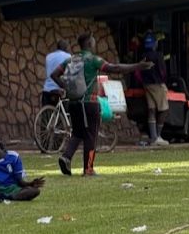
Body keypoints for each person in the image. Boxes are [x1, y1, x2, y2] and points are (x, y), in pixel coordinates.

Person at [50, 32, 151, 177]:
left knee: (78, 132)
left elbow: (54, 74)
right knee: (91, 136)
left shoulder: (71, 59)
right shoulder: (93, 60)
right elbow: (115, 68)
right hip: (89, 103)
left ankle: (66, 157)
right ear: (90, 44)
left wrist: (66, 88)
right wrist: (138, 66)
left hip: (73, 103)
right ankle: (88, 169)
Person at [0, 133, 44, 201]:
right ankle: (1, 196)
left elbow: (20, 181)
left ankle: (7, 197)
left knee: (34, 191)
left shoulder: (14, 156)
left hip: (13, 188)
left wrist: (31, 183)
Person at [136, 33, 170, 146]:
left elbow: (137, 73)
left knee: (152, 109)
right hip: (157, 84)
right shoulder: (158, 55)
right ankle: (157, 137)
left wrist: (143, 82)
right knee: (164, 109)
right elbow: (163, 72)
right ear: (155, 44)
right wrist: (163, 82)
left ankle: (154, 137)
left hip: (146, 85)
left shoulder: (143, 56)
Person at [41, 39, 71, 107]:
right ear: (66, 48)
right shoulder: (68, 57)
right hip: (59, 91)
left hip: (47, 90)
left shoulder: (48, 56)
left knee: (47, 116)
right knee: (64, 115)